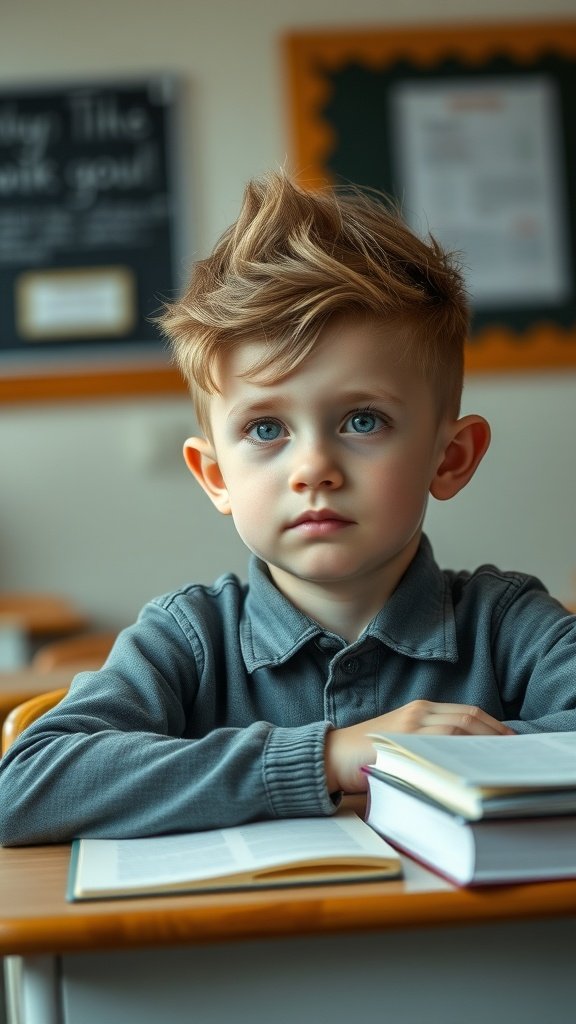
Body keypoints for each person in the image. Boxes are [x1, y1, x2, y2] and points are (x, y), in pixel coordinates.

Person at [1, 170, 575, 846]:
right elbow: (26, 787)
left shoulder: (509, 626)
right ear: (215, 475)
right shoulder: (187, 640)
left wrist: (443, 754)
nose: (314, 470)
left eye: (363, 421)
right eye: (266, 430)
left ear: (449, 459)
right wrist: (329, 757)